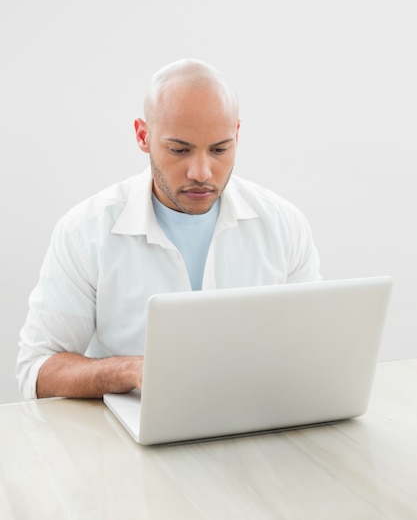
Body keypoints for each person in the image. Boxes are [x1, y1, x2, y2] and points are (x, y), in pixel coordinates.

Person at [16, 58, 321, 400]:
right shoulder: (84, 232)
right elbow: (36, 370)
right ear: (143, 136)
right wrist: (129, 371)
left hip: (256, 426)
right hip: (129, 442)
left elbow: (311, 353)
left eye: (220, 149)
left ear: (237, 134)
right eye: (179, 149)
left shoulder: (284, 225)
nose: (202, 172)